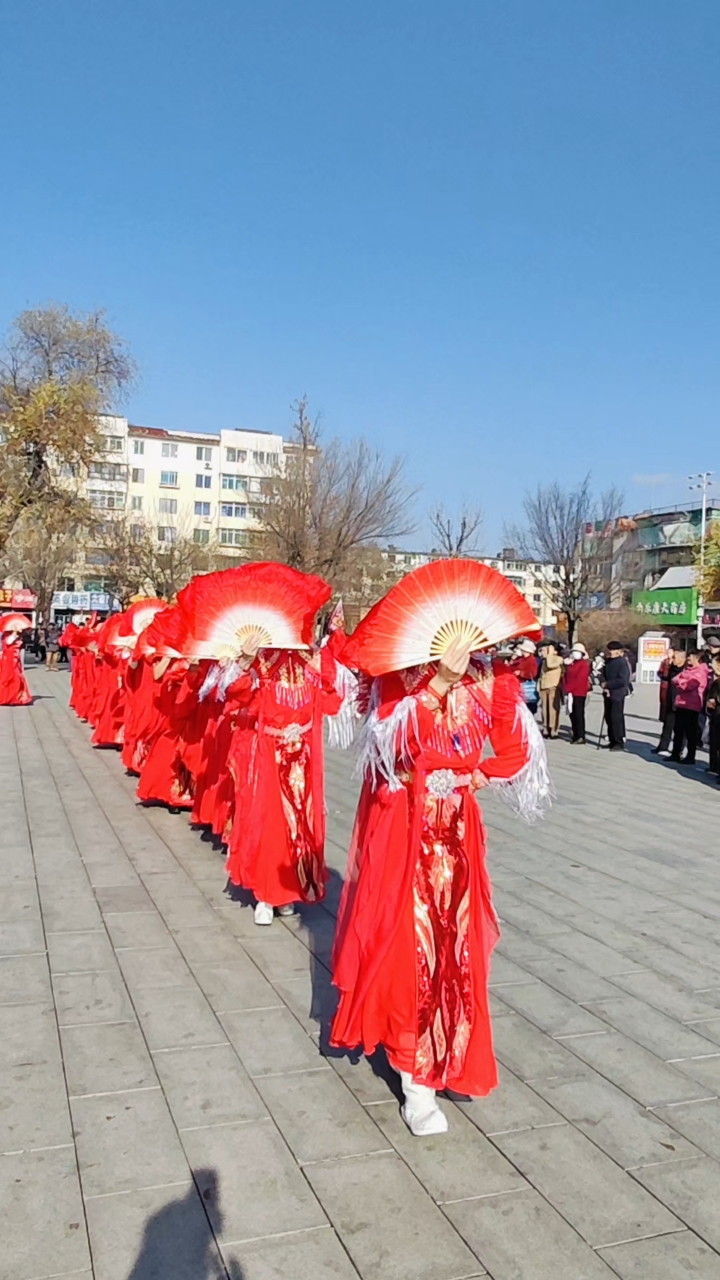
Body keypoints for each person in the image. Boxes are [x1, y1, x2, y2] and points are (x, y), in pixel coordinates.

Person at [330, 636, 551, 1137]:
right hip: (404, 828)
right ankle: (416, 1080)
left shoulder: (492, 678)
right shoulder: (397, 675)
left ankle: (448, 1052)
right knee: (411, 949)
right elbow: (390, 747)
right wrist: (438, 686)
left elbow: (517, 753)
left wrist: (477, 776)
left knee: (458, 946)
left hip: (458, 829)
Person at [671, 648, 710, 766]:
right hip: (681, 703)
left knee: (690, 732)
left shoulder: (701, 672)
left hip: (692, 705)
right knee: (678, 730)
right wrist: (681, 681)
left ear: (697, 659)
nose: (688, 659)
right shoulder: (687, 670)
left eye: (691, 657)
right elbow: (674, 679)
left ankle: (690, 756)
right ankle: (675, 753)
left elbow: (688, 686)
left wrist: (681, 682)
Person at [652, 646, 686, 756]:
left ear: (682, 658)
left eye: (675, 657)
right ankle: (662, 746)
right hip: (670, 699)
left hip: (680, 702)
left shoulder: (685, 670)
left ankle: (678, 750)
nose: (673, 659)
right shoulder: (671, 667)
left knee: (679, 729)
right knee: (667, 725)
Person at [601, 640, 632, 751]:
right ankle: (612, 740)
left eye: (614, 650)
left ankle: (618, 741)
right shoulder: (608, 661)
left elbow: (623, 680)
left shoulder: (622, 662)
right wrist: (603, 684)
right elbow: (603, 674)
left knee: (616, 717)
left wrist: (608, 684)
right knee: (608, 717)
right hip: (608, 693)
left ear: (619, 651)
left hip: (617, 693)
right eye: (610, 650)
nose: (611, 652)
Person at [562, 642, 591, 743]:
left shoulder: (584, 664)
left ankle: (580, 735)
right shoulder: (571, 664)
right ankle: (575, 734)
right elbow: (566, 676)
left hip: (579, 692)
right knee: (572, 713)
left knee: (578, 714)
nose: (575, 653)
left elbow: (580, 679)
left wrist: (568, 688)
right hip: (570, 692)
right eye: (574, 651)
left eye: (578, 652)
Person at [537, 640, 563, 738]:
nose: (543, 653)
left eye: (545, 651)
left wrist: (550, 653)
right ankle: (546, 728)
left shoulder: (558, 659)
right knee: (544, 710)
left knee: (553, 710)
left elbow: (550, 665)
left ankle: (553, 729)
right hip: (544, 687)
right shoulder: (544, 661)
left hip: (553, 687)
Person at [0, 629, 33, 706]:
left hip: (16, 659)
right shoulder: (7, 635)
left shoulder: (18, 635)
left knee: (17, 677)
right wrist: (14, 634)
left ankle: (17, 696)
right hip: (9, 659)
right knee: (9, 677)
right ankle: (8, 697)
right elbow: (8, 642)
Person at [508, 637, 539, 716]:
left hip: (525, 685)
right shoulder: (522, 659)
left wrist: (521, 673)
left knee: (528, 707)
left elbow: (533, 673)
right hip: (519, 685)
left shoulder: (531, 660)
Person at [706, 654, 720, 779]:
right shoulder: (716, 681)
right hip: (715, 715)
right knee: (715, 742)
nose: (712, 667)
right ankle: (715, 767)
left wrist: (715, 699)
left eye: (714, 664)